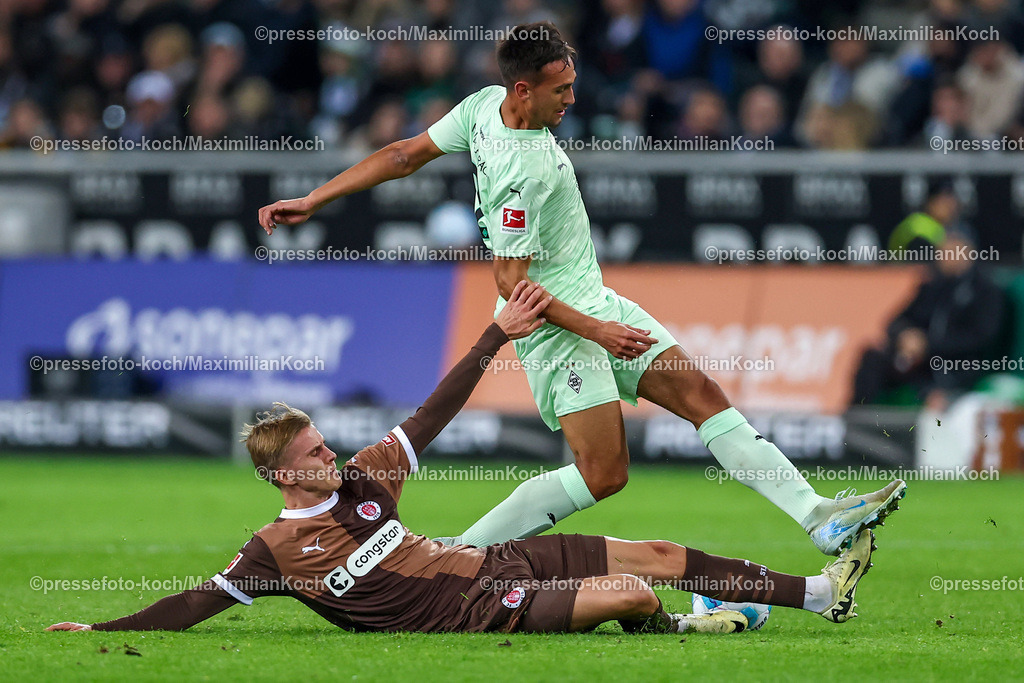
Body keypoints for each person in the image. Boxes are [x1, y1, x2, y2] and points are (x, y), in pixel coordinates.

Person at [257, 22, 905, 558]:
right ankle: (463, 554)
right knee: (604, 473)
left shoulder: (483, 107)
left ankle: (816, 516)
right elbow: (512, 285)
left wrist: (315, 197)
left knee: (703, 397)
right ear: (524, 89)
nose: (571, 98)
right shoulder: (524, 171)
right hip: (558, 329)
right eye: (561, 89)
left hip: (594, 303)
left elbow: (403, 154)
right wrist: (596, 330)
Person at [48, 282, 875, 636]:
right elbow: (197, 602)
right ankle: (692, 628)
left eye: (324, 442)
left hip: (490, 561)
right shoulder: (276, 550)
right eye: (314, 453)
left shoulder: (365, 477)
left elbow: (433, 412)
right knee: (631, 593)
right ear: (284, 476)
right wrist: (102, 629)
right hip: (474, 610)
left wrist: (494, 337)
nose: (330, 455)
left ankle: (817, 594)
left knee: (654, 551)